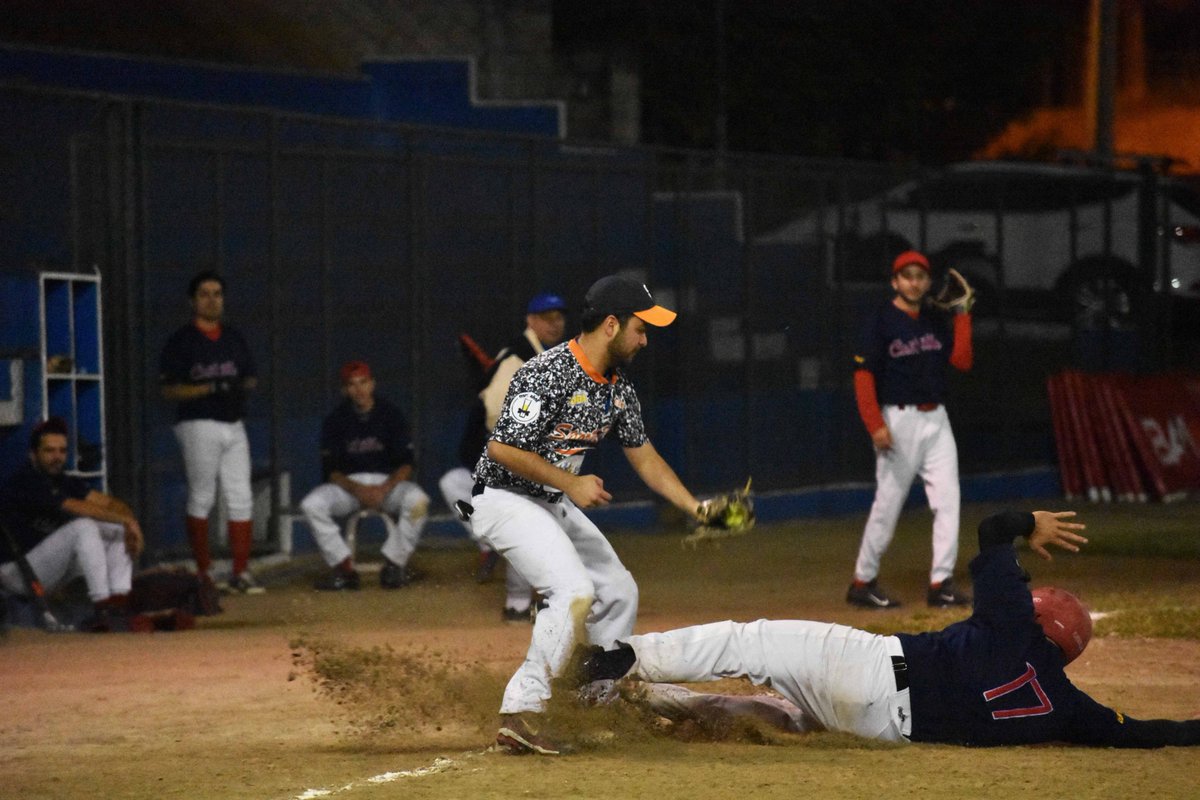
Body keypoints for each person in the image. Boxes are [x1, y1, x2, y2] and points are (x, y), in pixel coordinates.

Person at [580, 508, 1200, 748]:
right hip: (884, 730)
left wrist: (1028, 523)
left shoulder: (1015, 623)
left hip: (875, 666)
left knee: (750, 640)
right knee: (778, 714)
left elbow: (991, 531)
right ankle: (652, 702)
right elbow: (1147, 732)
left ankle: (619, 662)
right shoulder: (1066, 705)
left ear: (1040, 616)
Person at [469, 273, 712, 756]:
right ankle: (522, 709)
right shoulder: (548, 372)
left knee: (618, 592)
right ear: (609, 325)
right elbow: (500, 449)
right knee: (574, 592)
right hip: (502, 496)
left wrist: (696, 507)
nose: (645, 339)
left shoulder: (617, 388)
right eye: (640, 328)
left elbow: (644, 455)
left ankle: (590, 702)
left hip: (547, 499)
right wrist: (572, 482)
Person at [847, 250, 974, 609]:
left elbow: (962, 361)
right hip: (897, 420)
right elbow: (863, 376)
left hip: (937, 421)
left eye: (920, 276)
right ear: (895, 282)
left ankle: (941, 583)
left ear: (927, 282)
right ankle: (863, 580)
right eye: (907, 276)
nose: (914, 282)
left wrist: (962, 315)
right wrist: (875, 424)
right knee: (887, 506)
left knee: (949, 502)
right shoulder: (881, 321)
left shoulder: (934, 318)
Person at [438, 291, 567, 622]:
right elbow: (495, 412)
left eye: (559, 317)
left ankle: (519, 599)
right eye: (547, 318)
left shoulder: (543, 357)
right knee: (523, 523)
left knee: (526, 526)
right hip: (512, 459)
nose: (555, 323)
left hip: (516, 461)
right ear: (531, 321)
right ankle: (519, 601)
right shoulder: (516, 358)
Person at [159, 270, 262, 594]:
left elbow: (250, 378)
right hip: (198, 423)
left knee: (241, 496)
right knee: (202, 495)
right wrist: (208, 389)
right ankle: (204, 572)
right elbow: (170, 391)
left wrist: (236, 387)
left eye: (217, 293)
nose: (212, 299)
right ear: (192, 301)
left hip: (233, 421)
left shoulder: (233, 337)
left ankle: (240, 573)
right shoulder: (181, 341)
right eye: (205, 293)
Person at [0, 417, 144, 631]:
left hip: (47, 568)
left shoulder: (64, 481)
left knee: (115, 530)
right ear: (33, 454)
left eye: (62, 451)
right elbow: (76, 507)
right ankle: (102, 607)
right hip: (16, 573)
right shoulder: (25, 481)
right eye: (49, 451)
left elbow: (111, 504)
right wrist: (128, 520)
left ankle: (118, 605)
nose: (57, 457)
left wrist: (130, 525)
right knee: (83, 527)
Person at [300, 360, 430, 590]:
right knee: (311, 504)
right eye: (352, 384)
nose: (359, 389)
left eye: (363, 382)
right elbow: (331, 471)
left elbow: (407, 464)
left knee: (419, 502)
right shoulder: (335, 420)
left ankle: (394, 565)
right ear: (345, 390)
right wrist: (358, 490)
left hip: (386, 485)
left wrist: (383, 489)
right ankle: (343, 568)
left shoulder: (391, 414)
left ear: (372, 384)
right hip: (349, 488)